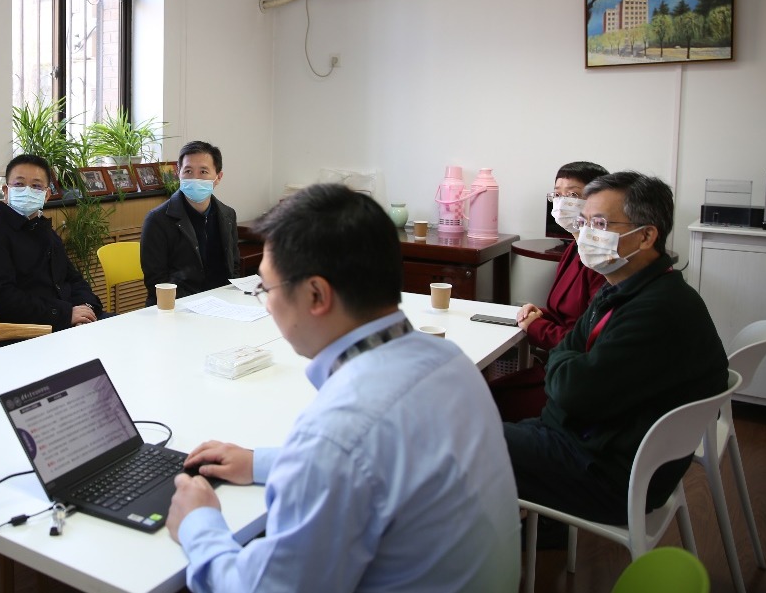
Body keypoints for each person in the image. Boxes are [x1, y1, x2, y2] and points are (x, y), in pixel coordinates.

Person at [167, 184, 520, 592]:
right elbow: (375, 467)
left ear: (316, 294)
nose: (267, 304)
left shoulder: (338, 433)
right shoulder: (449, 361)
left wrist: (199, 523)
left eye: (266, 288)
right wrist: (261, 462)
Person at [503, 171, 729, 530]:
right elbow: (570, 353)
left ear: (646, 236)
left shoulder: (657, 310)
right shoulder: (623, 287)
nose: (585, 234)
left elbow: (569, 390)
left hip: (612, 475)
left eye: (599, 224)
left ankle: (503, 543)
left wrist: (565, 365)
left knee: (465, 438)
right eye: (584, 223)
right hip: (602, 445)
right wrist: (568, 364)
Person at [491, 160, 609, 421]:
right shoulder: (573, 248)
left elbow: (587, 341)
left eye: (573, 195)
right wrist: (541, 314)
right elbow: (566, 312)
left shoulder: (600, 262)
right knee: (482, 391)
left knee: (486, 399)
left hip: (574, 380)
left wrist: (537, 327)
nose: (562, 202)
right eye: (557, 194)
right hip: (558, 366)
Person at [0, 154, 103, 331]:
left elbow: (73, 278)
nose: (27, 191)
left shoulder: (43, 229)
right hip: (28, 332)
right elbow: (2, 299)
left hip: (71, 323)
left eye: (36, 186)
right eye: (19, 184)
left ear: (47, 195)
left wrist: (86, 307)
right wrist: (65, 314)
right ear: (6, 191)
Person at [140, 141, 241, 306]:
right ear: (178, 173)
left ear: (218, 177)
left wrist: (230, 300)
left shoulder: (228, 215)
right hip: (176, 307)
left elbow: (234, 267)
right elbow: (156, 281)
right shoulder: (157, 220)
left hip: (222, 304)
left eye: (203, 171)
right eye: (188, 171)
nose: (195, 178)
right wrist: (197, 305)